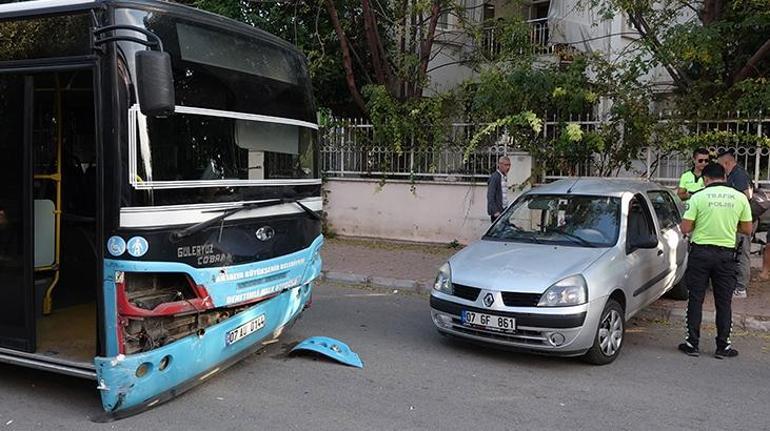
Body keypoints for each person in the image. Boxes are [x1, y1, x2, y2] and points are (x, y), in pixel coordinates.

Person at [678, 162, 752, 359]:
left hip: (700, 254)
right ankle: (723, 346)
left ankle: (692, 343)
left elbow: (685, 228)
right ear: (725, 178)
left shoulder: (698, 197)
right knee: (724, 302)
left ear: (705, 179)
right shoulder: (740, 198)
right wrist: (729, 227)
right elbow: (747, 229)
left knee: (695, 298)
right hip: (726, 255)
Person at [716, 150, 753, 298]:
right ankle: (735, 285)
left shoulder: (739, 175)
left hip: (741, 223)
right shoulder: (734, 175)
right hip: (735, 222)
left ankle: (741, 288)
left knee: (742, 253)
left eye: (720, 165)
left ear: (727, 163)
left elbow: (747, 196)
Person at [487, 156, 511, 223]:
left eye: (509, 165)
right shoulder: (495, 177)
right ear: (500, 165)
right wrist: (495, 211)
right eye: (506, 165)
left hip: (504, 210)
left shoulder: (503, 177)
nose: (508, 167)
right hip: (497, 212)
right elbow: (490, 196)